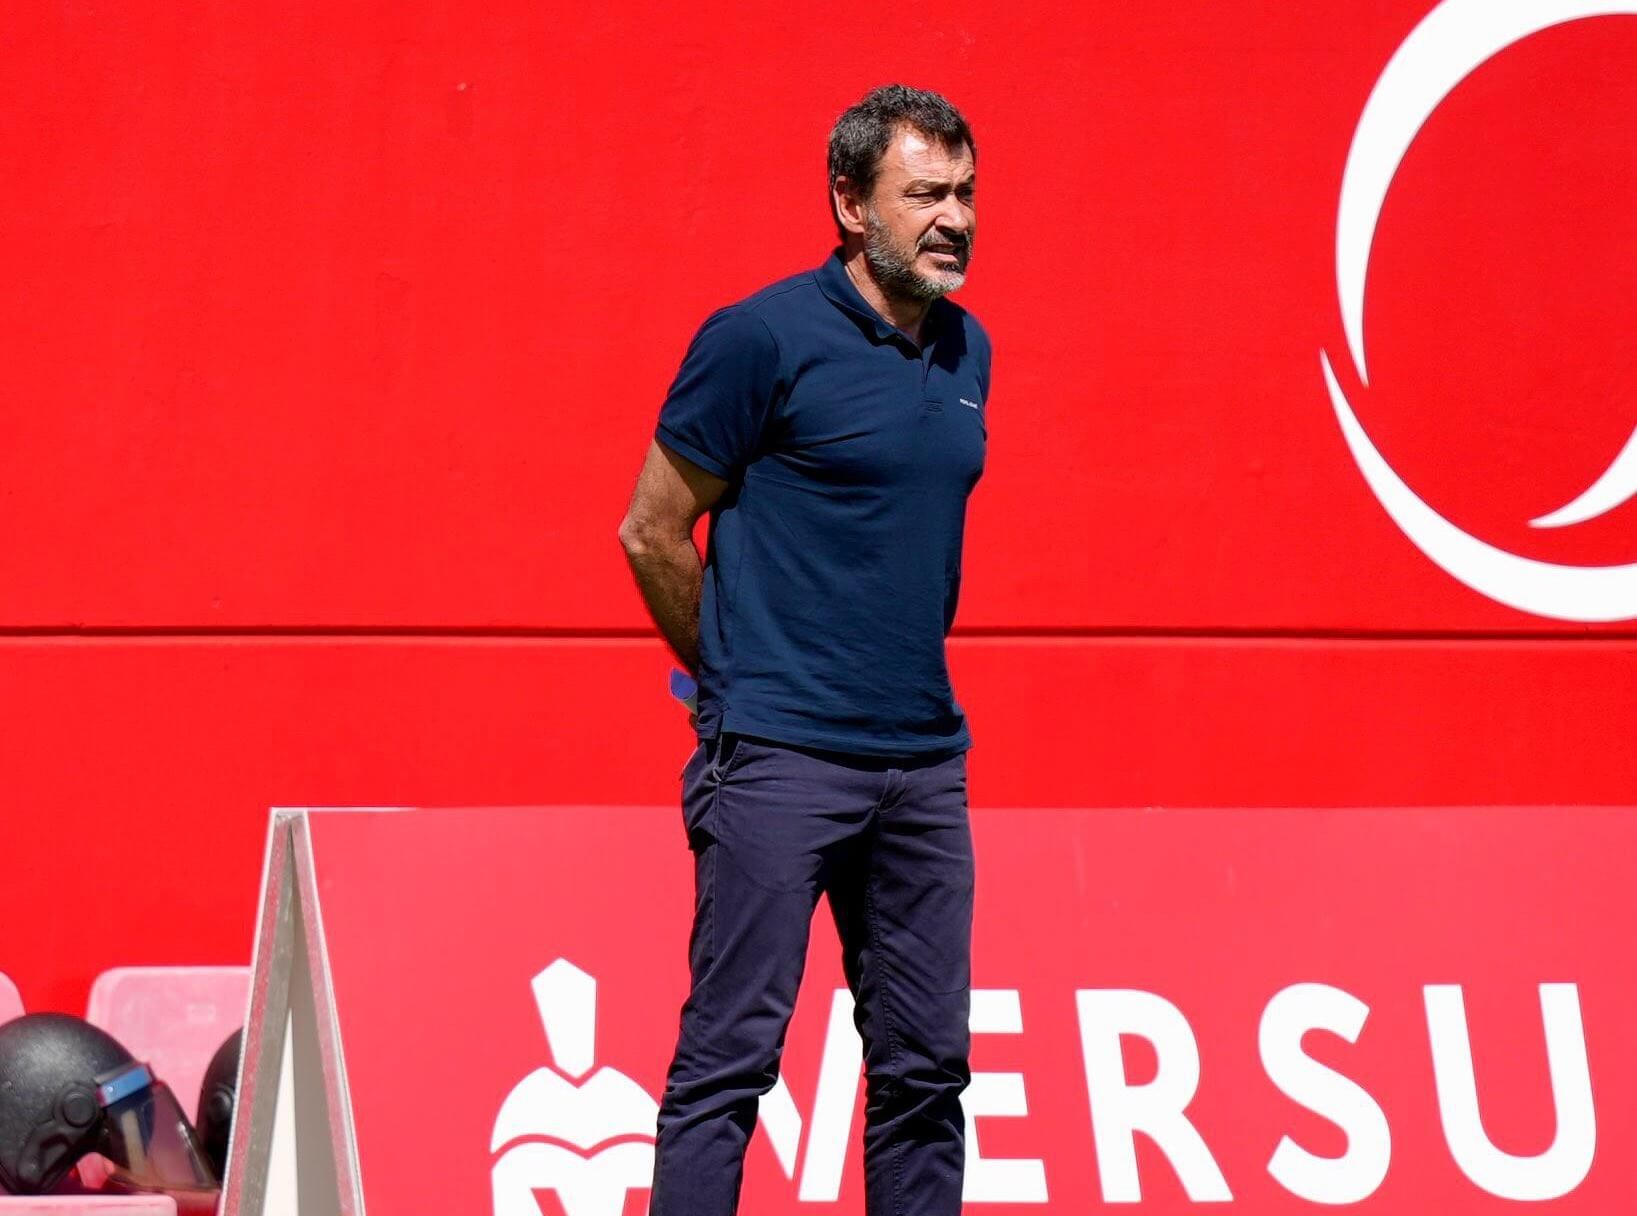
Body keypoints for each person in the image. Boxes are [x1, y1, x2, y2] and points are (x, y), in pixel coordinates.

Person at [619, 83, 990, 1216]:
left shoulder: (969, 350)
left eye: (966, 193)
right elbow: (651, 528)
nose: (955, 218)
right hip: (778, 757)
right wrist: (734, 680)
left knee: (925, 1073)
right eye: (924, 193)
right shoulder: (757, 338)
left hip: (922, 765)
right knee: (729, 1065)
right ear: (848, 202)